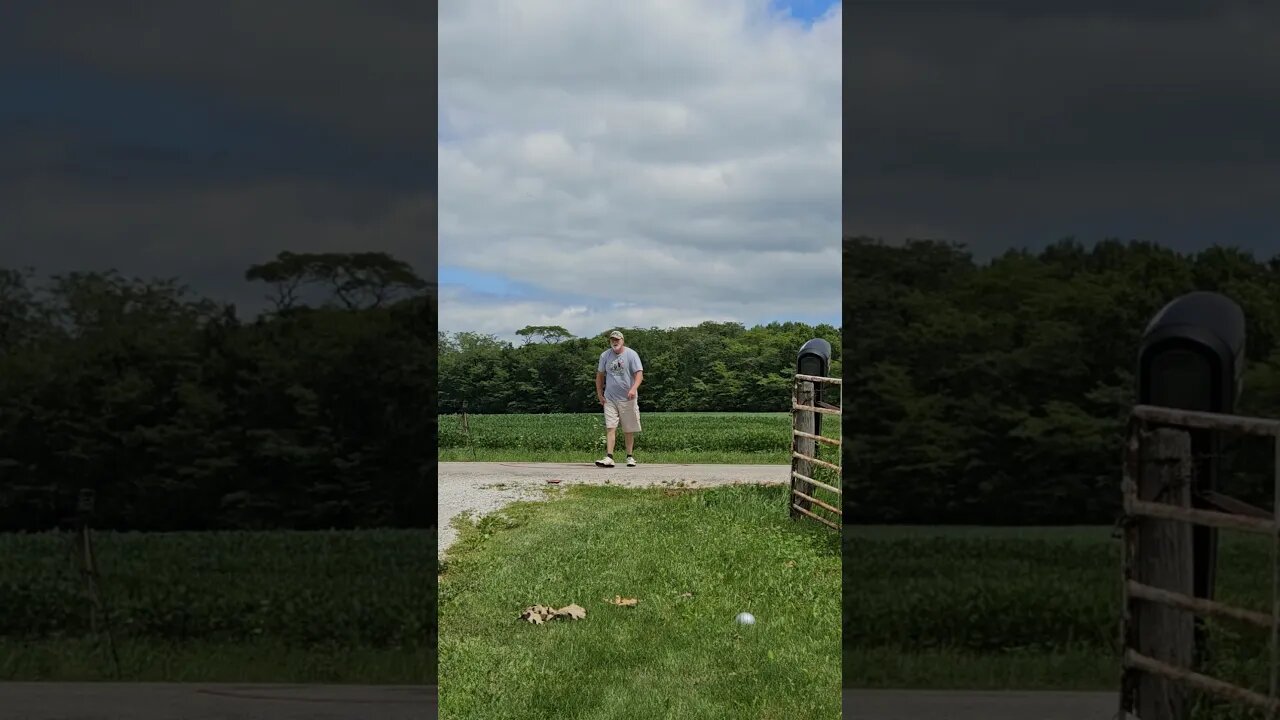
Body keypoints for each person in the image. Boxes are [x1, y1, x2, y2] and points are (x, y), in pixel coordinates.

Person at [595, 330, 643, 467]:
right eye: (612, 340)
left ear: (622, 341)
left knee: (628, 428)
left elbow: (639, 374)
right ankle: (609, 457)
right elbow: (600, 375)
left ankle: (629, 456)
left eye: (617, 340)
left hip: (627, 397)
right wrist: (600, 393)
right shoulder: (605, 355)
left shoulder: (631, 354)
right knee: (610, 426)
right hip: (610, 397)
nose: (615, 342)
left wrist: (633, 388)